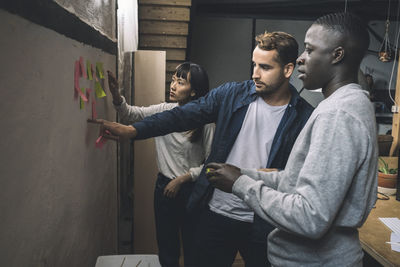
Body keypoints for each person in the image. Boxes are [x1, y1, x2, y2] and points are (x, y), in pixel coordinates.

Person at [91, 31, 314, 267]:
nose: (255, 74)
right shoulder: (232, 94)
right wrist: (135, 131)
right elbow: (180, 115)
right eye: (254, 65)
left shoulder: (304, 117)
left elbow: (298, 177)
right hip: (216, 213)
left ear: (288, 70)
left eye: (265, 67)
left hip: (263, 220)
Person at [206, 12, 378, 266]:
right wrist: (244, 173)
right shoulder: (345, 104)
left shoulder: (338, 115)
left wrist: (240, 184)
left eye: (309, 49)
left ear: (337, 55)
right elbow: (297, 181)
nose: (300, 58)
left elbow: (310, 217)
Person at [107, 62, 215, 267]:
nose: (173, 85)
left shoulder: (206, 121)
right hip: (164, 188)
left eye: (180, 82)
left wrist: (183, 179)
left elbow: (212, 163)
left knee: (194, 248)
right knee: (167, 248)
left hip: (192, 189)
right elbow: (131, 115)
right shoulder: (165, 110)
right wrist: (116, 95)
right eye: (173, 80)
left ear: (194, 92)